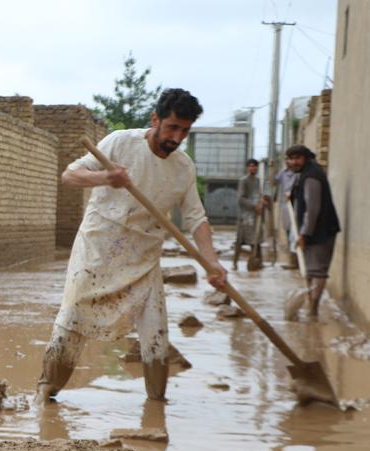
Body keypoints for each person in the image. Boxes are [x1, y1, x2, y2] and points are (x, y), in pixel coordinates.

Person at [34, 88, 227, 404]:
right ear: (155, 119)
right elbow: (69, 176)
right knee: (72, 320)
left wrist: (212, 262)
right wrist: (106, 178)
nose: (176, 137)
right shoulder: (120, 143)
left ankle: (157, 404)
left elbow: (197, 219)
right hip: (97, 250)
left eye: (184, 131)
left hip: (143, 257)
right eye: (172, 127)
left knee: (156, 335)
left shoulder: (183, 167)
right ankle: (46, 393)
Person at [286, 144, 341, 317]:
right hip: (313, 231)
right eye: (291, 159)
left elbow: (313, 208)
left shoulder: (311, 176)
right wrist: (293, 195)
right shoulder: (306, 173)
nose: (294, 162)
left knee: (317, 271)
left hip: (320, 232)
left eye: (297, 158)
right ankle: (311, 307)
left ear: (306, 158)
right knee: (310, 270)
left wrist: (304, 234)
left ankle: (313, 310)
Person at [233, 159, 269, 269]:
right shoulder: (244, 181)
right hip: (245, 217)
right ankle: (235, 263)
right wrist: (254, 206)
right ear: (247, 168)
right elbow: (240, 199)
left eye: (255, 166)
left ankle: (259, 263)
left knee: (257, 241)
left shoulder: (260, 181)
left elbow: (265, 196)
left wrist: (264, 202)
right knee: (240, 241)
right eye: (251, 166)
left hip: (257, 216)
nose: (253, 168)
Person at [274, 160, 299, 265]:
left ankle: (296, 260)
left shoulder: (298, 174)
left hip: (296, 205)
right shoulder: (283, 173)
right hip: (286, 205)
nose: (289, 162)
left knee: (296, 232)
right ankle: (292, 259)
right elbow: (273, 182)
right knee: (288, 230)